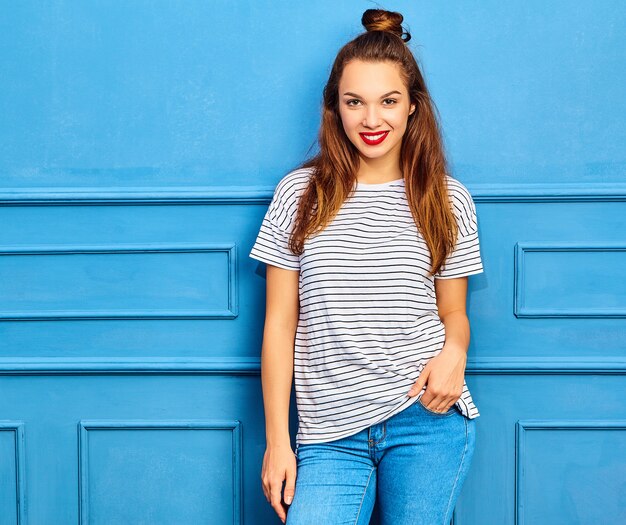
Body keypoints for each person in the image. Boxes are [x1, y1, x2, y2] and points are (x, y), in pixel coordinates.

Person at [249, 8, 484, 525]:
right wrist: (277, 443)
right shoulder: (298, 195)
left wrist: (456, 353)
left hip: (427, 420)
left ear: (413, 108)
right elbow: (279, 324)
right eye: (354, 102)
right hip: (328, 434)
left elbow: (455, 314)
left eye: (388, 101)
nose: (371, 120)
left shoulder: (447, 199)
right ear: (335, 107)